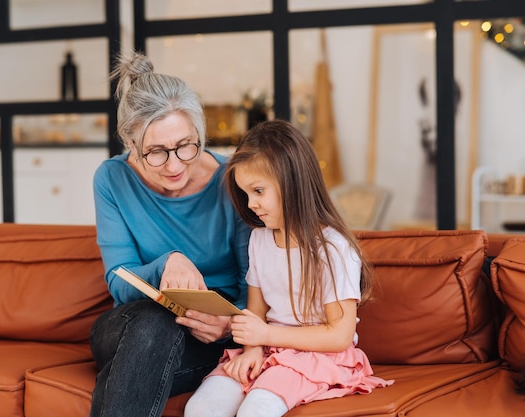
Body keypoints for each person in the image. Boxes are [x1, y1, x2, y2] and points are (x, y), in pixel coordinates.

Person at [184, 120, 394, 417]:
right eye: (245, 194)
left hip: (319, 356)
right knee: (201, 408)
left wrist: (264, 336)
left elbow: (339, 336)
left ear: (292, 182)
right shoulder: (259, 239)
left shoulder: (332, 248)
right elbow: (255, 313)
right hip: (268, 348)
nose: (251, 204)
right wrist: (253, 350)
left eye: (258, 191)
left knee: (256, 410)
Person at [89, 51, 251, 417]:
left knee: (145, 356)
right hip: (128, 325)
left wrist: (230, 325)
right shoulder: (112, 179)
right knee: (155, 319)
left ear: (200, 133)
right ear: (131, 145)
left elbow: (252, 282)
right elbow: (118, 280)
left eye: (185, 145)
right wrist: (167, 265)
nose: (175, 165)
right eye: (157, 152)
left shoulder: (234, 180)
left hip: (206, 339)